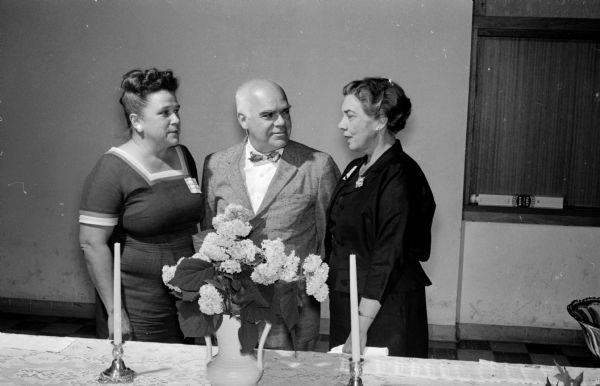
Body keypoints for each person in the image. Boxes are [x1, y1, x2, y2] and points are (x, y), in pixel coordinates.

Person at [201, 78, 340, 350]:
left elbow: (329, 240)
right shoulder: (215, 165)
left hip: (294, 308)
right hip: (234, 305)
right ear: (243, 119)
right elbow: (208, 234)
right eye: (268, 115)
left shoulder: (318, 166)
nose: (281, 121)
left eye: (285, 111)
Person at [79, 68, 203, 343]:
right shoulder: (111, 169)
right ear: (137, 121)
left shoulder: (183, 156)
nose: (176, 120)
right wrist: (115, 312)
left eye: (177, 110)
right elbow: (91, 244)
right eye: (165, 113)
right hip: (139, 304)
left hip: (187, 297)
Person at [326, 77, 435, 357]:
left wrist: (361, 326)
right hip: (350, 302)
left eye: (350, 116)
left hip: (384, 308)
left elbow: (389, 253)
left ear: (380, 121)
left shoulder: (400, 174)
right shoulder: (355, 168)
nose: (341, 124)